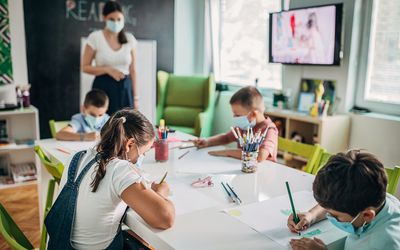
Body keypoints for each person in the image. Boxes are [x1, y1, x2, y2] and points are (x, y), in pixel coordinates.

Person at [45, 108, 175, 249]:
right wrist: (160, 193)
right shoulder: (120, 170)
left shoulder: (76, 157)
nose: (140, 158)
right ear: (129, 145)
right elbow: (165, 218)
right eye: (143, 152)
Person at [287, 150, 400, 250]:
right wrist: (311, 215)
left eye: (335, 216)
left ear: (367, 215)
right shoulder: (375, 196)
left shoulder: (384, 244)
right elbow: (335, 204)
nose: (329, 216)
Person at [81, 1, 138, 114]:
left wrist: (136, 97)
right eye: (112, 19)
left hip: (124, 88)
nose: (116, 22)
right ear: (104, 18)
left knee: (126, 125)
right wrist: (108, 70)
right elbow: (84, 67)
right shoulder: (95, 37)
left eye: (119, 19)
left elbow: (133, 70)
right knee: (104, 125)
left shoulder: (130, 39)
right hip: (103, 88)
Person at [193, 86, 278, 162]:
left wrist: (227, 152)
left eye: (237, 115)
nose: (234, 117)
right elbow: (226, 138)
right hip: (243, 167)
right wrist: (207, 141)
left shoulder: (270, 130)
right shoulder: (244, 127)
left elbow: (260, 156)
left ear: (254, 114)